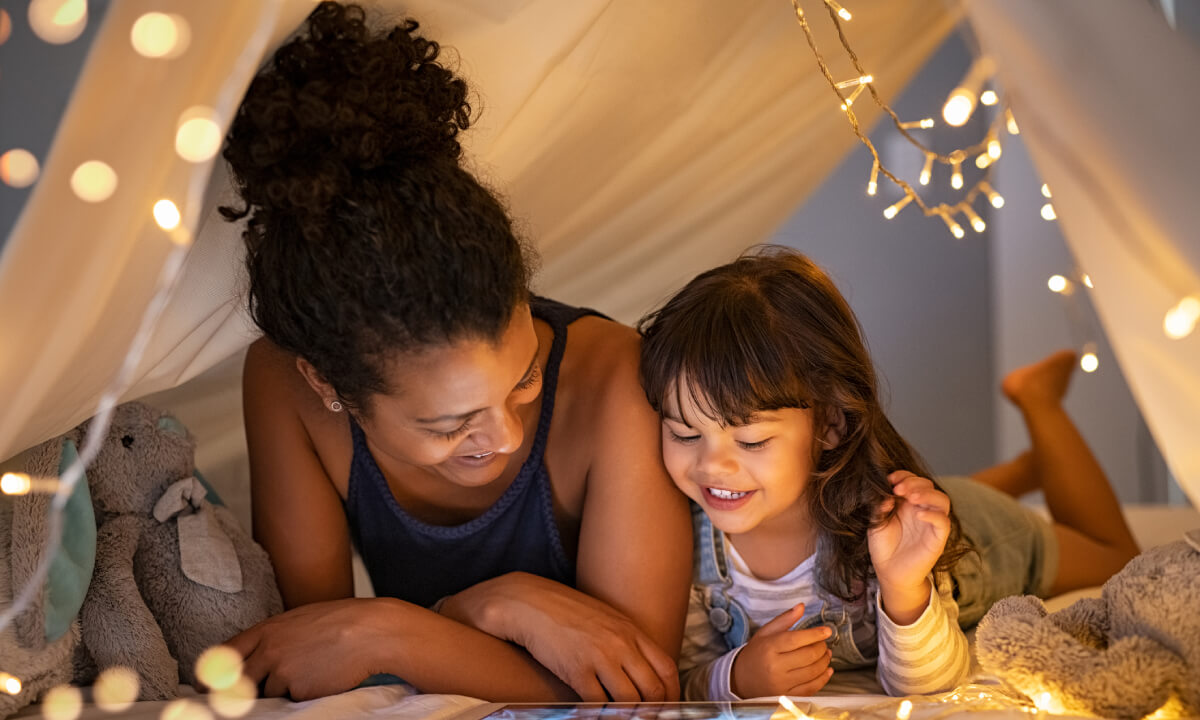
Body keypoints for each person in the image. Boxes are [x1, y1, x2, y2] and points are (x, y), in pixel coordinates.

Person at [218, 2, 691, 702]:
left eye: (526, 378)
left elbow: (641, 695)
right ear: (330, 387)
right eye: (447, 425)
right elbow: (311, 653)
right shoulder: (283, 384)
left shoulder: (618, 376)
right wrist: (418, 626)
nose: (503, 434)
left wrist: (426, 621)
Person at [636, 246, 1140, 700]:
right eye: (683, 433)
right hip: (903, 498)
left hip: (977, 539)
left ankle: (1039, 402)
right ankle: (1026, 470)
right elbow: (683, 672)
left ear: (830, 423)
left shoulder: (884, 533)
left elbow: (931, 683)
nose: (710, 465)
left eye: (751, 441)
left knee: (1117, 556)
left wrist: (904, 589)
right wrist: (736, 678)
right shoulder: (683, 539)